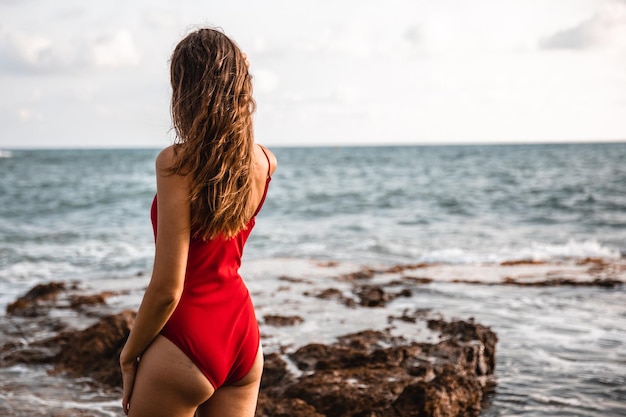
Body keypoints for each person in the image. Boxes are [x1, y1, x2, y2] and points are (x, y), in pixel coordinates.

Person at [120, 27, 277, 417]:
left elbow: (168, 289)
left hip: (187, 336)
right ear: (240, 85)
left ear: (186, 90)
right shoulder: (264, 161)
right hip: (242, 336)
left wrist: (128, 354)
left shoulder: (176, 163)